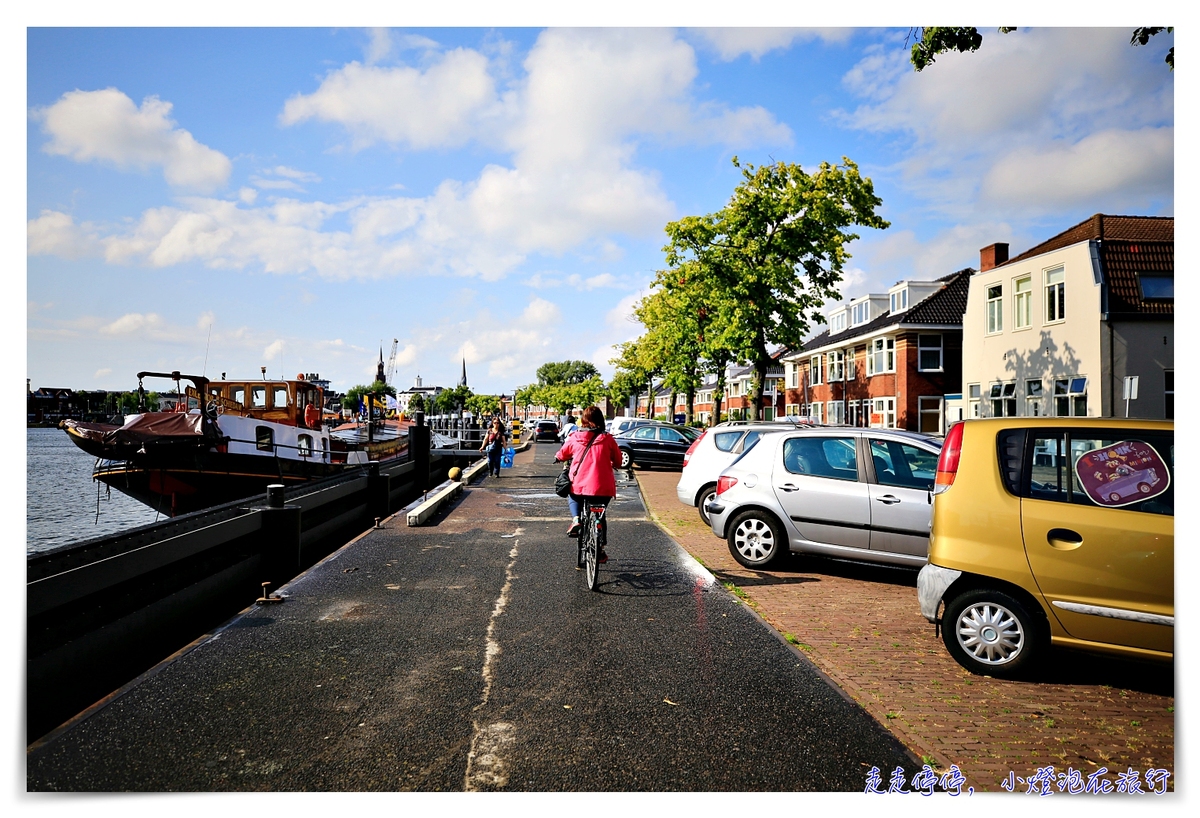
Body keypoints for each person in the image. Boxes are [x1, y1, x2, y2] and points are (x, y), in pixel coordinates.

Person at [554, 406, 622, 562]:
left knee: (573, 495)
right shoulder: (608, 438)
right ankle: (601, 547)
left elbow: (563, 454)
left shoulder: (575, 437)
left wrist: (558, 457)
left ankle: (576, 520)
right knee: (600, 513)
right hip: (603, 487)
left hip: (580, 485)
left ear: (583, 420)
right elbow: (618, 461)